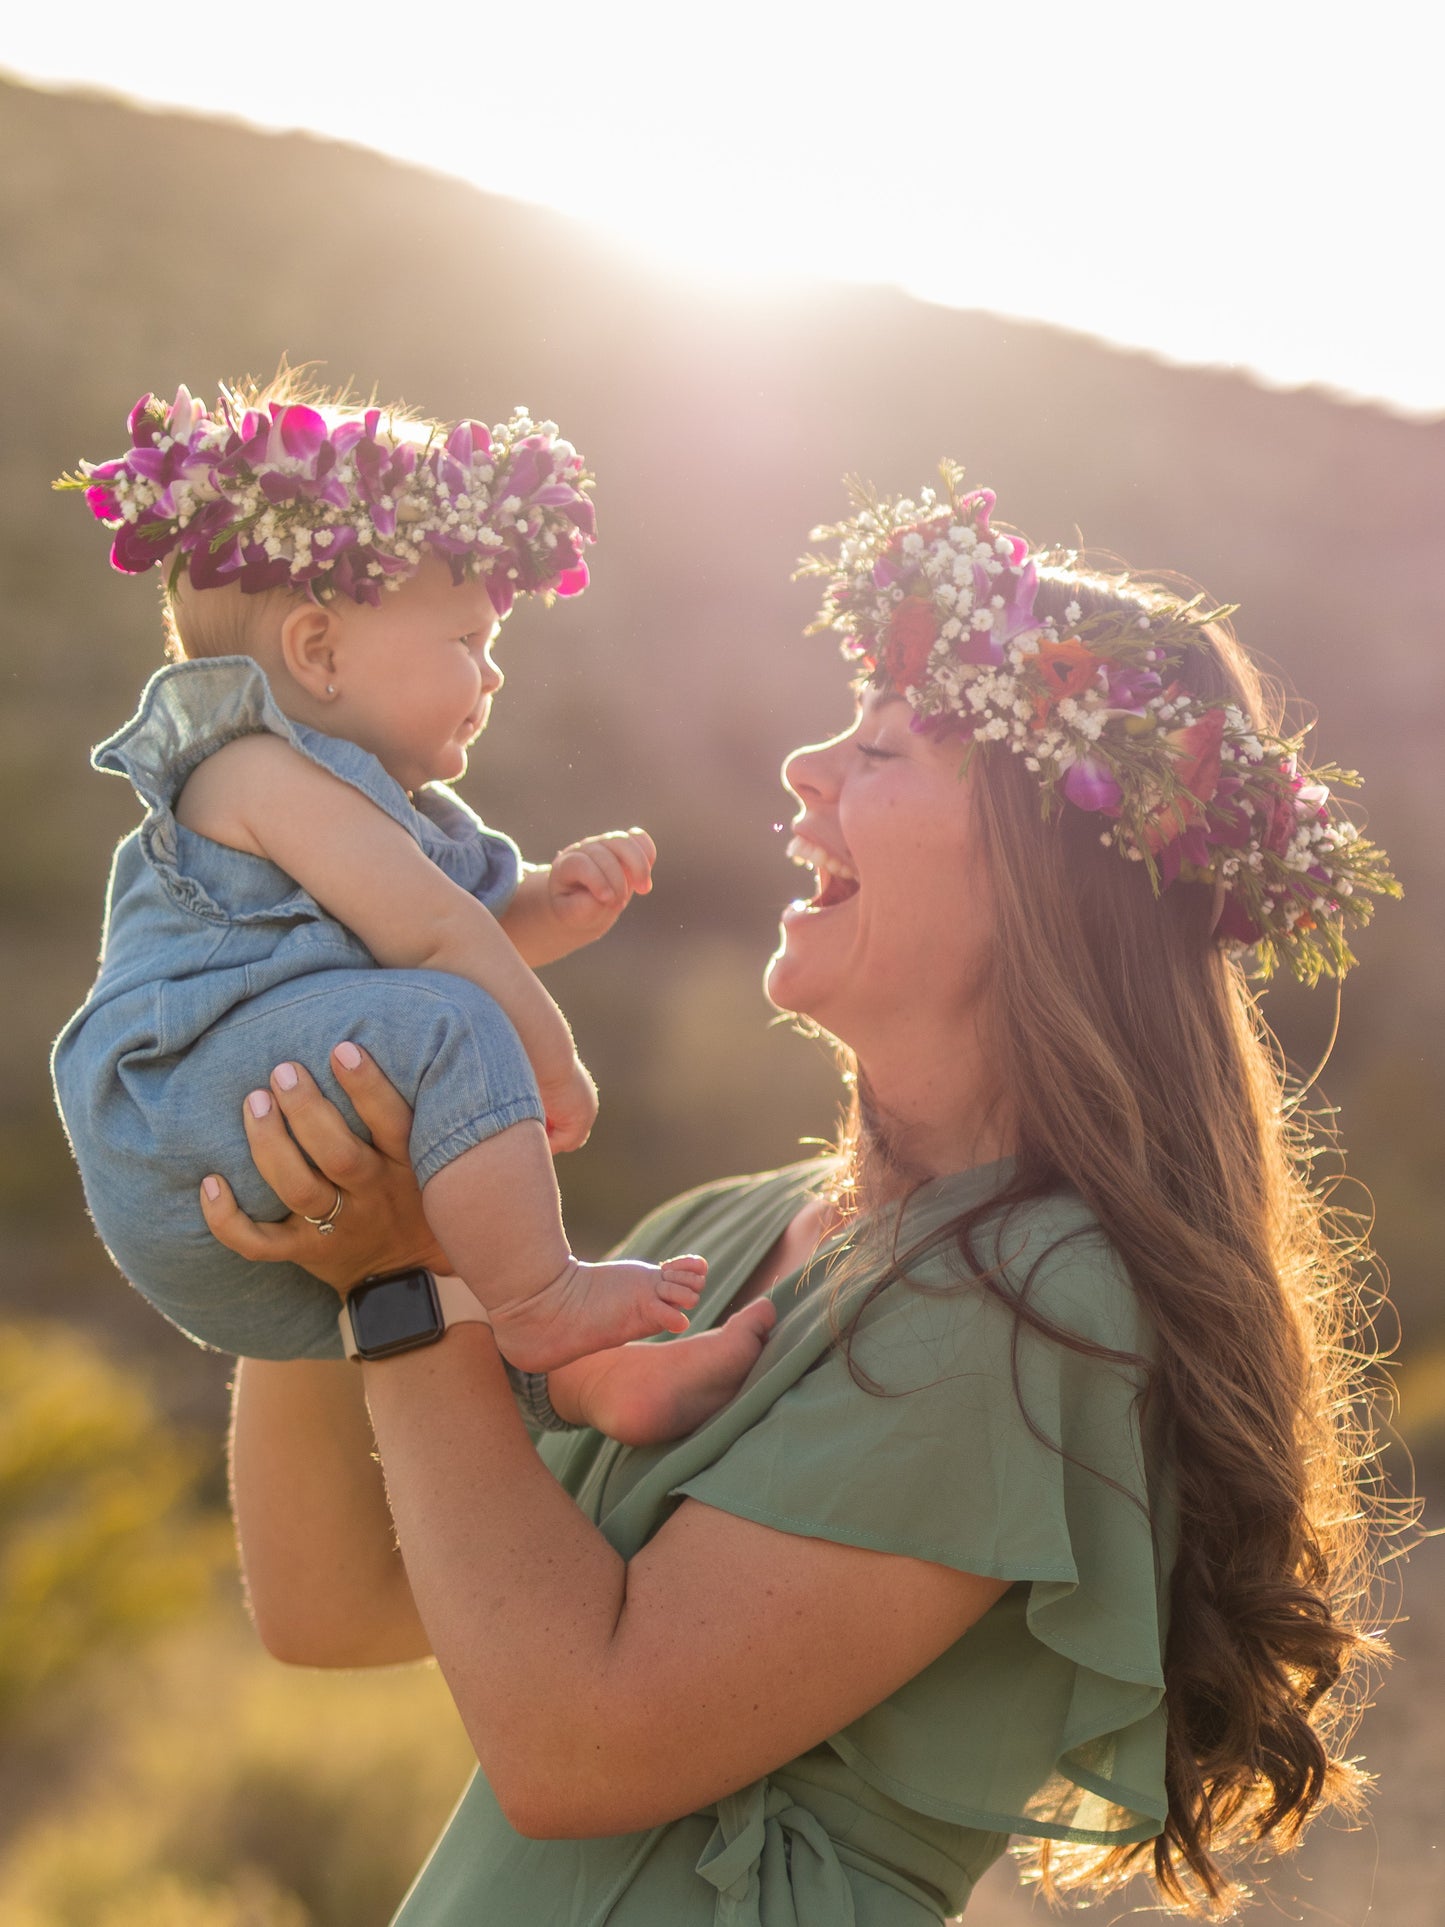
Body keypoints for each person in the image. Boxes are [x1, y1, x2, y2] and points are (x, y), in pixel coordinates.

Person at [215, 466, 1398, 1923]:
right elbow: (335, 1607)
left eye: (886, 748)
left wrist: (409, 1282)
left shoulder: (1035, 1297)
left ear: (1047, 873)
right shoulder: (713, 1238)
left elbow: (580, 1740)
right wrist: (326, 1232)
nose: (806, 769)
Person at [52, 376, 780, 1446]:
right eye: (466, 642)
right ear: (318, 652)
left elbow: (460, 923)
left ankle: (576, 1383)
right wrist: (548, 1054)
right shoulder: (253, 769)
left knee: (447, 1128)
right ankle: (545, 1302)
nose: (491, 675)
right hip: (181, 1121)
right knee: (454, 1029)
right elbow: (439, 937)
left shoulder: (386, 805)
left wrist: (551, 903)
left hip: (271, 1117)